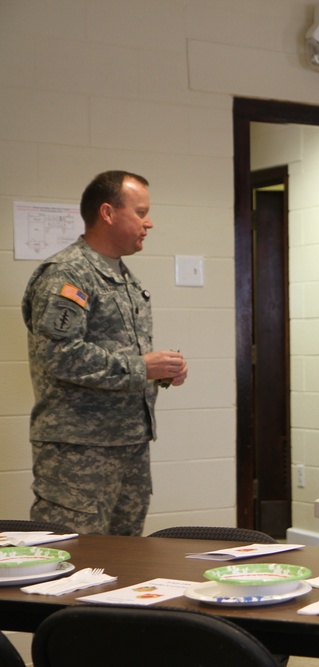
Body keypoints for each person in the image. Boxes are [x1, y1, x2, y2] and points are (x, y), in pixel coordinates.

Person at [22, 170, 188, 536]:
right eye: (141, 212)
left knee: (122, 564)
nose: (150, 222)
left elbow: (123, 356)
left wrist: (160, 370)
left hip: (128, 445)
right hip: (78, 452)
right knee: (70, 562)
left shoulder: (126, 277)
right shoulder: (68, 274)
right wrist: (140, 367)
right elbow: (59, 356)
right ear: (108, 213)